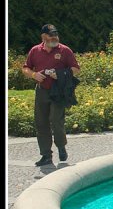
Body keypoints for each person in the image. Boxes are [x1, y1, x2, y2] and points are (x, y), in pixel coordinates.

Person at [21, 24, 81, 166]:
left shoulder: (64, 50)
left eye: (56, 35)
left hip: (58, 91)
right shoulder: (35, 51)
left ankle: (61, 146)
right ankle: (46, 155)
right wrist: (34, 74)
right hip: (42, 90)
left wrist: (60, 74)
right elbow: (25, 68)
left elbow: (76, 69)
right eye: (51, 35)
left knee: (55, 119)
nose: (55, 38)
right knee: (41, 122)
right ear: (43, 37)